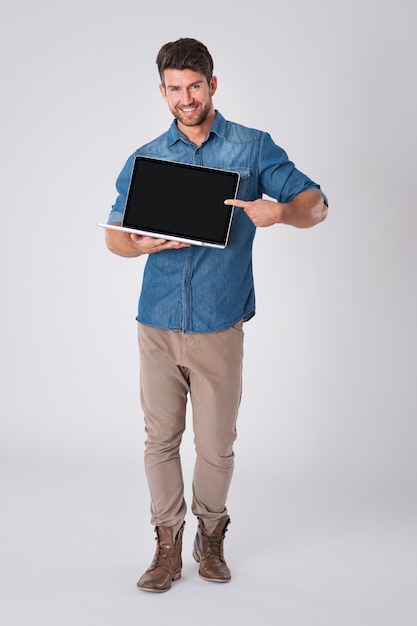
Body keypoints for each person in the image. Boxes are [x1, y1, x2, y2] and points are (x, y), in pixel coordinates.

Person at [104, 37, 328, 593]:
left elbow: (316, 203)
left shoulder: (252, 149)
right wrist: (139, 245)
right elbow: (113, 236)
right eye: (175, 89)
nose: (186, 99)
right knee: (159, 440)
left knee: (215, 444)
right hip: (156, 322)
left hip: (218, 324)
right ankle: (166, 544)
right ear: (162, 92)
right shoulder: (147, 157)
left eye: (195, 87)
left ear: (213, 85)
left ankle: (211, 533)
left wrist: (279, 213)